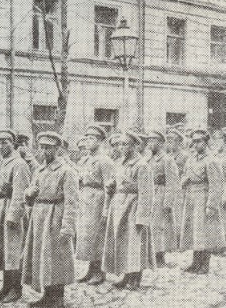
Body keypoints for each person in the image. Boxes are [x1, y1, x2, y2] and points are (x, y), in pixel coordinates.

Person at [22, 131, 78, 308]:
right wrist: (28, 194)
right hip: (39, 217)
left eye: (49, 148)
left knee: (56, 257)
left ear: (57, 149)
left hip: (56, 216)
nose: (45, 151)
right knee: (42, 256)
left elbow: (72, 201)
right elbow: (32, 190)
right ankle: (46, 294)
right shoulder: (39, 170)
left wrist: (67, 226)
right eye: (42, 147)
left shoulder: (66, 171)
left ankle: (57, 297)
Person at [102, 131, 154, 289]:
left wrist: (142, 217)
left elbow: (147, 193)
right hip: (118, 206)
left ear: (134, 146)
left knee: (134, 244)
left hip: (133, 207)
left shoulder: (142, 165)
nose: (121, 147)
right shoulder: (119, 163)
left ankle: (135, 278)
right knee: (123, 243)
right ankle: (125, 274)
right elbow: (115, 183)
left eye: (125, 144)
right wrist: (111, 187)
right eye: (119, 144)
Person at [0, 129, 31, 303]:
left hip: (11, 211)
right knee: (3, 250)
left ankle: (15, 288)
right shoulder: (5, 162)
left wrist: (13, 215)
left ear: (13, 143)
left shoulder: (19, 163)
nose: (1, 146)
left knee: (13, 250)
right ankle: (6, 286)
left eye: (5, 142)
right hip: (0, 209)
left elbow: (20, 192)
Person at [179, 129, 226, 274]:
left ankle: (205, 264)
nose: (196, 144)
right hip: (192, 197)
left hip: (204, 198)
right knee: (194, 232)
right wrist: (184, 181)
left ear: (206, 142)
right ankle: (195, 262)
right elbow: (186, 174)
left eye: (199, 141)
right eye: (194, 141)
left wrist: (211, 205)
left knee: (205, 232)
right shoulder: (192, 159)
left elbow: (216, 184)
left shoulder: (211, 160)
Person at [76, 124, 116, 285]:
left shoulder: (105, 160)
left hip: (98, 200)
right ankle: (90, 269)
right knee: (87, 237)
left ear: (100, 141)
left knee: (98, 237)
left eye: (91, 138)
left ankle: (99, 272)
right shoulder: (87, 160)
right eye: (86, 138)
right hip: (86, 199)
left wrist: (106, 209)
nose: (87, 142)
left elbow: (110, 187)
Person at [145, 130, 180, 267]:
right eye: (149, 141)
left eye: (153, 141)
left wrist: (168, 202)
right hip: (150, 193)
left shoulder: (167, 160)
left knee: (160, 227)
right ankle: (151, 255)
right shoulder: (148, 159)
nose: (150, 144)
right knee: (150, 225)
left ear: (160, 143)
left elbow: (173, 181)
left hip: (161, 193)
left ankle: (160, 257)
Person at [166, 127, 189, 243]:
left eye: (173, 140)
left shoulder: (185, 156)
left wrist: (181, 184)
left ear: (179, 141)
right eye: (168, 140)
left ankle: (180, 239)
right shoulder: (168, 156)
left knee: (180, 214)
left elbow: (187, 173)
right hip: (170, 189)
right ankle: (172, 239)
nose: (170, 143)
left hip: (181, 189)